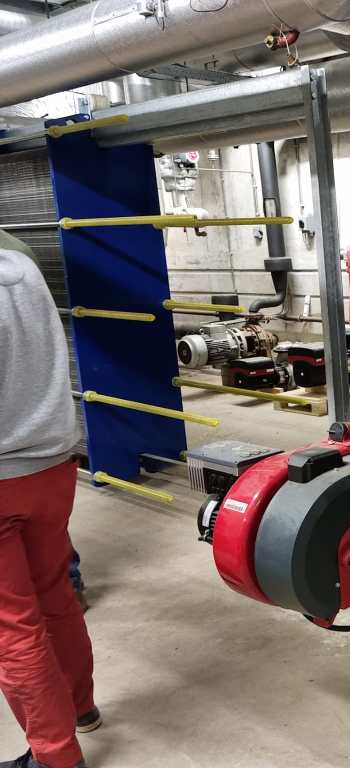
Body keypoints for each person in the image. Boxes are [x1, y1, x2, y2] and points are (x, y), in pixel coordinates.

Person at [0, 232, 100, 768]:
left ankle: (55, 756)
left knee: (13, 625)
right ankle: (80, 707)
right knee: (55, 594)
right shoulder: (21, 266)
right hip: (53, 464)